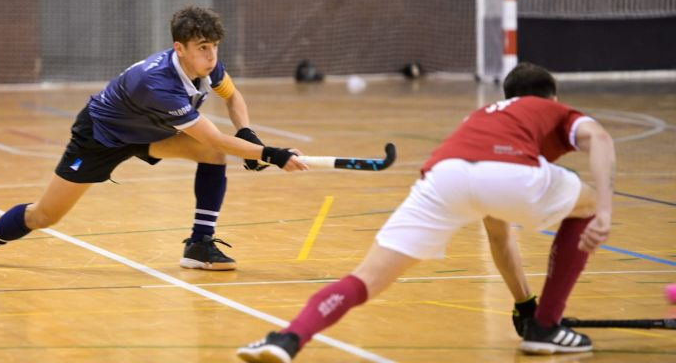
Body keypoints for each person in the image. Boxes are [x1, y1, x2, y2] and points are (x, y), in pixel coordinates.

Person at [237, 62, 615, 362]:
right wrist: (604, 211)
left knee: (365, 278)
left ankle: (288, 338)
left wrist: (522, 303)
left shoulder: (487, 116)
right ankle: (547, 328)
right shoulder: (552, 109)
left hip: (444, 174)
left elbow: (500, 237)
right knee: (587, 203)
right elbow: (599, 138)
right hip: (506, 169)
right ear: (551, 98)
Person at [0, 6, 308, 271]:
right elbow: (212, 136)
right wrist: (272, 154)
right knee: (46, 215)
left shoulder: (207, 65)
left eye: (214, 46)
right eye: (202, 48)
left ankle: (199, 245)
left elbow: (233, 97)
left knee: (212, 157)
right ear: (179, 48)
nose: (211, 56)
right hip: (101, 138)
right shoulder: (157, 83)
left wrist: (246, 134)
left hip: (148, 131)